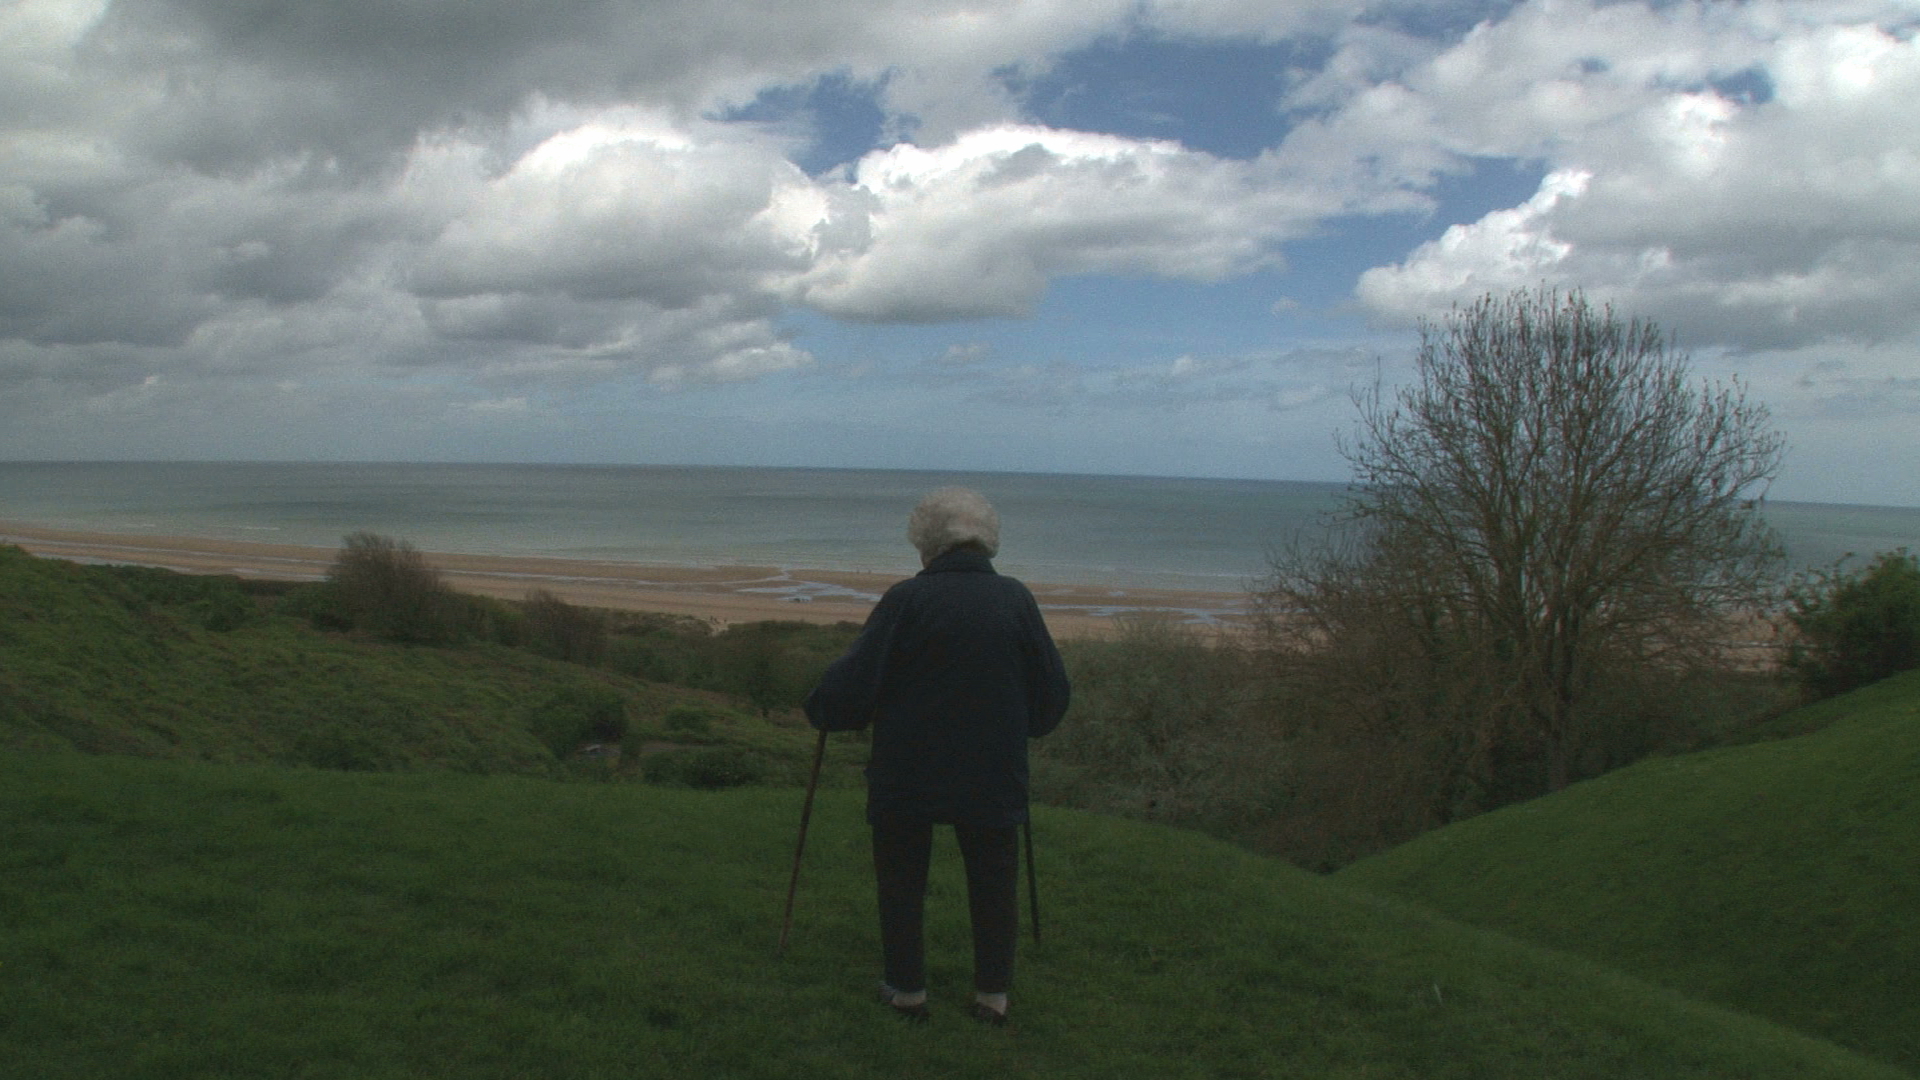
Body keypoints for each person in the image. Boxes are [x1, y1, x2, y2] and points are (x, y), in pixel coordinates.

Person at [804, 487, 1070, 1026]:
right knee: (994, 877)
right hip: (993, 770)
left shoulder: (907, 600)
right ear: (986, 543)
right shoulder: (1016, 599)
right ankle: (993, 997)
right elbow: (1052, 693)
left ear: (926, 545)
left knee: (902, 876)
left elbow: (855, 682)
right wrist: (1030, 727)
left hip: (908, 769)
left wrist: (824, 709)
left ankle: (907, 992)